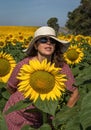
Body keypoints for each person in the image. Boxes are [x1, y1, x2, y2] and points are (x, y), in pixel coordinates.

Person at [3, 26, 79, 130]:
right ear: (35, 45)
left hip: (43, 120)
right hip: (16, 115)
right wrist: (23, 98)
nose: (48, 43)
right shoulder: (24, 65)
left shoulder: (61, 67)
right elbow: (10, 86)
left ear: (55, 45)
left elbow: (74, 92)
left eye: (52, 40)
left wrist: (64, 114)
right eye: (43, 40)